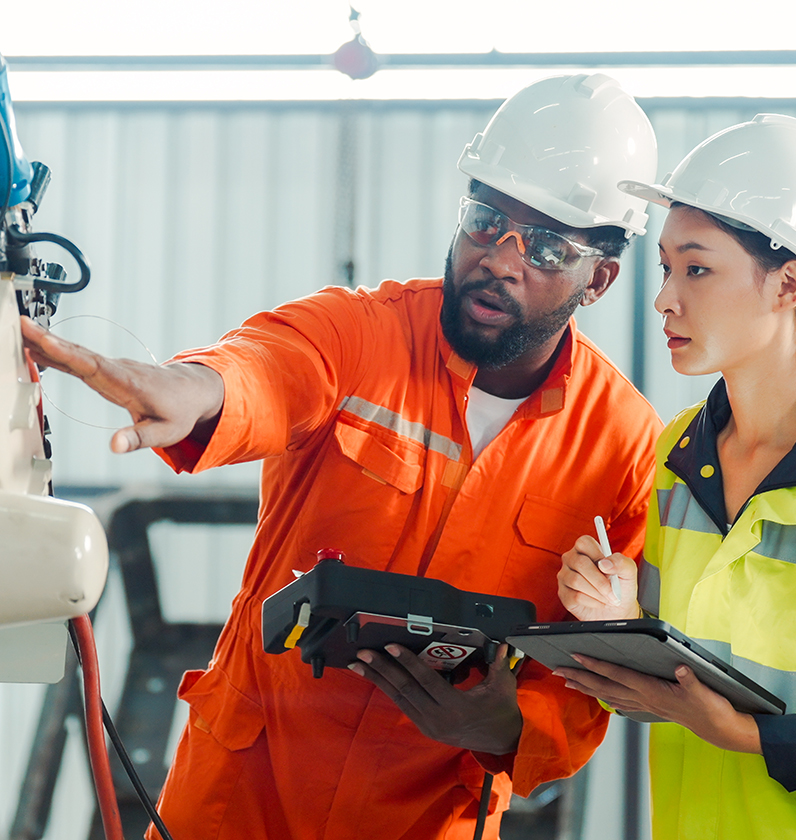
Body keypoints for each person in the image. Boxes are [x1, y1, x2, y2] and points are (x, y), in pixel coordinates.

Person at [22, 73, 662, 840]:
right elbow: (271, 366)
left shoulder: (621, 446)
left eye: (548, 246)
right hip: (238, 802)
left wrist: (505, 726)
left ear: (600, 277)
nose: (500, 258)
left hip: (426, 818)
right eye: (486, 220)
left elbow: (594, 668)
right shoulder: (365, 333)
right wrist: (191, 388)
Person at [557, 114, 796, 840]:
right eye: (665, 267)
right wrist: (620, 624)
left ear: (788, 283)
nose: (666, 298)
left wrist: (753, 737)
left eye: (697, 269)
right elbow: (665, 696)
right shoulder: (677, 456)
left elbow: (719, 717)